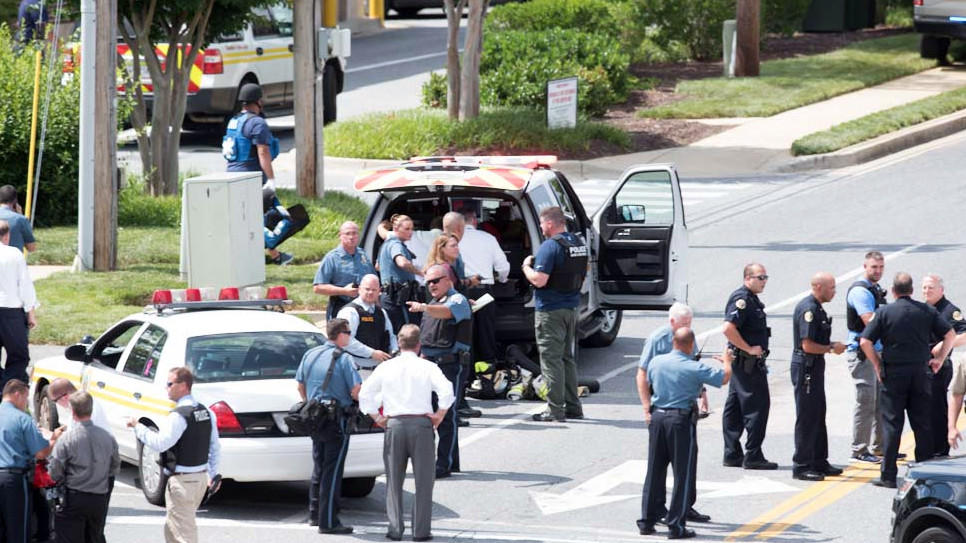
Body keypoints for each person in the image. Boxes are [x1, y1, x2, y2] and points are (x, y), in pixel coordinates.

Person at [358, 324, 454, 542]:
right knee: (424, 480)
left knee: (394, 479)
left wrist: (376, 417)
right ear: (419, 344)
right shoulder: (427, 367)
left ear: (399, 344)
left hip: (395, 424)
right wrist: (439, 414)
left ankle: (395, 528)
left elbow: (366, 393)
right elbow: (447, 391)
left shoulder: (386, 367)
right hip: (421, 423)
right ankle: (420, 531)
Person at [861, 272, 955, 488]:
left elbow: (865, 340)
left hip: (893, 374)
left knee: (892, 425)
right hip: (920, 374)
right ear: (912, 291)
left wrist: (877, 364)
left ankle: (888, 475)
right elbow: (950, 334)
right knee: (922, 423)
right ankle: (924, 474)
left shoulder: (884, 312)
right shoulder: (927, 311)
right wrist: (939, 359)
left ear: (893, 291)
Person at [637, 328, 731, 540]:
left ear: (673, 342)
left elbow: (650, 380)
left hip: (657, 418)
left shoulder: (656, 362)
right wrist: (727, 360)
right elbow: (724, 378)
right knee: (683, 473)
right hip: (680, 421)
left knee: (654, 470)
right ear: (690, 345)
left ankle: (647, 520)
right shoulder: (693, 367)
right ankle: (676, 525)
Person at [126, 368, 222, 543]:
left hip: (183, 482)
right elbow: (215, 446)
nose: (166, 388)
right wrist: (213, 474)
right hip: (199, 479)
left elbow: (161, 443)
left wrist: (138, 427)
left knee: (183, 535)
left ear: (184, 386)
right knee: (173, 530)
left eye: (170, 384)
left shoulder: (179, 416)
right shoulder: (206, 412)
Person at [636, 302, 710, 524]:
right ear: (671, 322)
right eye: (683, 323)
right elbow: (641, 374)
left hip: (686, 406)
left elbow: (693, 368)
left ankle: (686, 506)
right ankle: (657, 510)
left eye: (689, 323)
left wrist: (703, 393)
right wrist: (646, 407)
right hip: (663, 408)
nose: (687, 327)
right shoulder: (657, 340)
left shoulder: (687, 336)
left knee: (688, 460)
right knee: (658, 465)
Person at [294, 319, 361, 534]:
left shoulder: (310, 354)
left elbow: (300, 385)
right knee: (332, 470)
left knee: (319, 465)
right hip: (335, 419)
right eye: (348, 333)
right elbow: (356, 390)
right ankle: (329, 521)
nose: (349, 336)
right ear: (340, 334)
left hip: (315, 417)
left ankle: (315, 513)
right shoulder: (344, 359)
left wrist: (312, 402)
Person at [522, 206, 587, 423]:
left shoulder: (550, 247)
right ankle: (573, 406)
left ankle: (555, 409)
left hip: (550, 310)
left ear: (550, 223)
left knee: (551, 360)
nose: (541, 228)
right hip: (571, 307)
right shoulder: (578, 243)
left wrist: (525, 268)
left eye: (541, 224)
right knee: (567, 358)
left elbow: (539, 280)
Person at [406, 265, 472, 479]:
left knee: (445, 414)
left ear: (449, 280)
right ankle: (449, 462)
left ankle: (444, 464)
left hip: (449, 364)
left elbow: (449, 313)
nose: (431, 285)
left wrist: (424, 307)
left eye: (436, 281)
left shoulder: (457, 300)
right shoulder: (433, 303)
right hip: (429, 363)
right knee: (429, 413)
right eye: (428, 282)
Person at [222, 82, 293, 266]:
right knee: (281, 217)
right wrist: (270, 180)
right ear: (259, 101)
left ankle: (275, 255)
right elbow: (263, 152)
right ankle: (269, 249)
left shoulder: (234, 121)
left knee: (249, 217)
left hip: (231, 176)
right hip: (251, 178)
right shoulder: (257, 123)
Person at [790, 273, 847, 482]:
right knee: (806, 416)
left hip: (814, 367)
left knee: (818, 413)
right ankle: (802, 465)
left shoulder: (818, 308)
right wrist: (831, 348)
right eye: (831, 287)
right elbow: (807, 345)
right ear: (818, 287)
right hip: (806, 366)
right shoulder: (809, 309)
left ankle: (819, 460)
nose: (834, 291)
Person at [721, 263, 776, 470]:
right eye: (760, 278)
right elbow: (728, 328)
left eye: (765, 277)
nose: (764, 282)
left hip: (742, 364)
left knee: (734, 407)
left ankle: (732, 453)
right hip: (747, 364)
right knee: (758, 408)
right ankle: (753, 454)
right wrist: (748, 348)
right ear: (747, 278)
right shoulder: (742, 299)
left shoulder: (751, 299)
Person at [47, 391, 119, 543]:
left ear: (72, 412)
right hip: (98, 498)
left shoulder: (67, 439)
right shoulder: (108, 438)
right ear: (91, 410)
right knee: (95, 536)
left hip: (75, 497)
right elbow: (114, 467)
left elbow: (55, 470)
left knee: (68, 536)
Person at [0, 379, 59, 543]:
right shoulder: (21, 418)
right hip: (13, 480)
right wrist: (54, 440)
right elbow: (41, 453)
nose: (26, 403)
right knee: (18, 530)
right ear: (17, 394)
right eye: (25, 398)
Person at [845, 251, 887, 464]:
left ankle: (879, 447)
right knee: (866, 400)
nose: (877, 271)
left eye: (880, 267)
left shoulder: (874, 289)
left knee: (881, 401)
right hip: (862, 354)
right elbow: (869, 320)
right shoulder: (860, 291)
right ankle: (860, 449)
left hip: (876, 351)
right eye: (873, 267)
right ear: (865, 266)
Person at [920, 274, 966, 456]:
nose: (927, 291)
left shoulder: (949, 311)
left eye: (931, 287)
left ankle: (940, 450)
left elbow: (964, 333)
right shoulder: (921, 309)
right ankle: (926, 449)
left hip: (939, 367)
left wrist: (945, 344)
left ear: (941, 290)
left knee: (936, 409)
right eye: (924, 287)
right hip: (920, 367)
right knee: (922, 410)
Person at [459, 207, 509, 369]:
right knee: (486, 331)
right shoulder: (488, 238)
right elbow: (503, 266)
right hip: (484, 291)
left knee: (466, 331)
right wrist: (502, 279)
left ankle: (467, 369)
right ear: (475, 220)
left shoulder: (453, 239)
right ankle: (488, 368)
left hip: (462, 291)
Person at [0, 220, 38, 391]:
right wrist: (31, 312)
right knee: (19, 356)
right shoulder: (14, 254)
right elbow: (25, 285)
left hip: (9, 310)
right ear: (6, 236)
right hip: (11, 311)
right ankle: (8, 387)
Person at [314, 221, 375, 320]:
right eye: (347, 233)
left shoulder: (363, 255)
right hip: (340, 306)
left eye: (354, 233)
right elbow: (318, 287)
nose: (351, 237)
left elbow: (373, 279)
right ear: (340, 236)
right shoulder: (332, 258)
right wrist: (344, 291)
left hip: (364, 307)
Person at [335, 274, 395, 369]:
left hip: (378, 368)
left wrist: (395, 351)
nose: (370, 292)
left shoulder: (381, 312)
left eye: (374, 290)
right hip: (355, 370)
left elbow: (391, 335)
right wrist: (371, 353)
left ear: (379, 291)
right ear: (359, 289)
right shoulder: (350, 312)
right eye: (367, 289)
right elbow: (345, 341)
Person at [378, 214, 423, 333]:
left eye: (412, 229)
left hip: (390, 297)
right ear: (396, 229)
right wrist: (420, 273)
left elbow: (378, 266)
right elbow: (402, 263)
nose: (411, 232)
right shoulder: (396, 245)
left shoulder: (388, 243)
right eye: (407, 229)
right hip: (398, 300)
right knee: (407, 334)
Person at [0, 186, 36, 253]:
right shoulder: (21, 219)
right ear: (15, 201)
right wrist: (20, 214)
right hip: (13, 261)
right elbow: (31, 248)